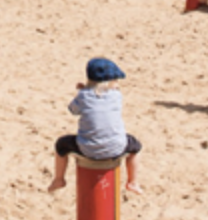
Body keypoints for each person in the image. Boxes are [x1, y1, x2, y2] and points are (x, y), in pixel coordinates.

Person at [47, 58, 142, 195]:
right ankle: (133, 181)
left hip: (87, 148)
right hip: (117, 147)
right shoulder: (117, 95)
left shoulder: (83, 95)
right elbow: (105, 96)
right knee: (136, 147)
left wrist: (82, 91)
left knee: (61, 145)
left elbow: (73, 110)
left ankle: (59, 179)